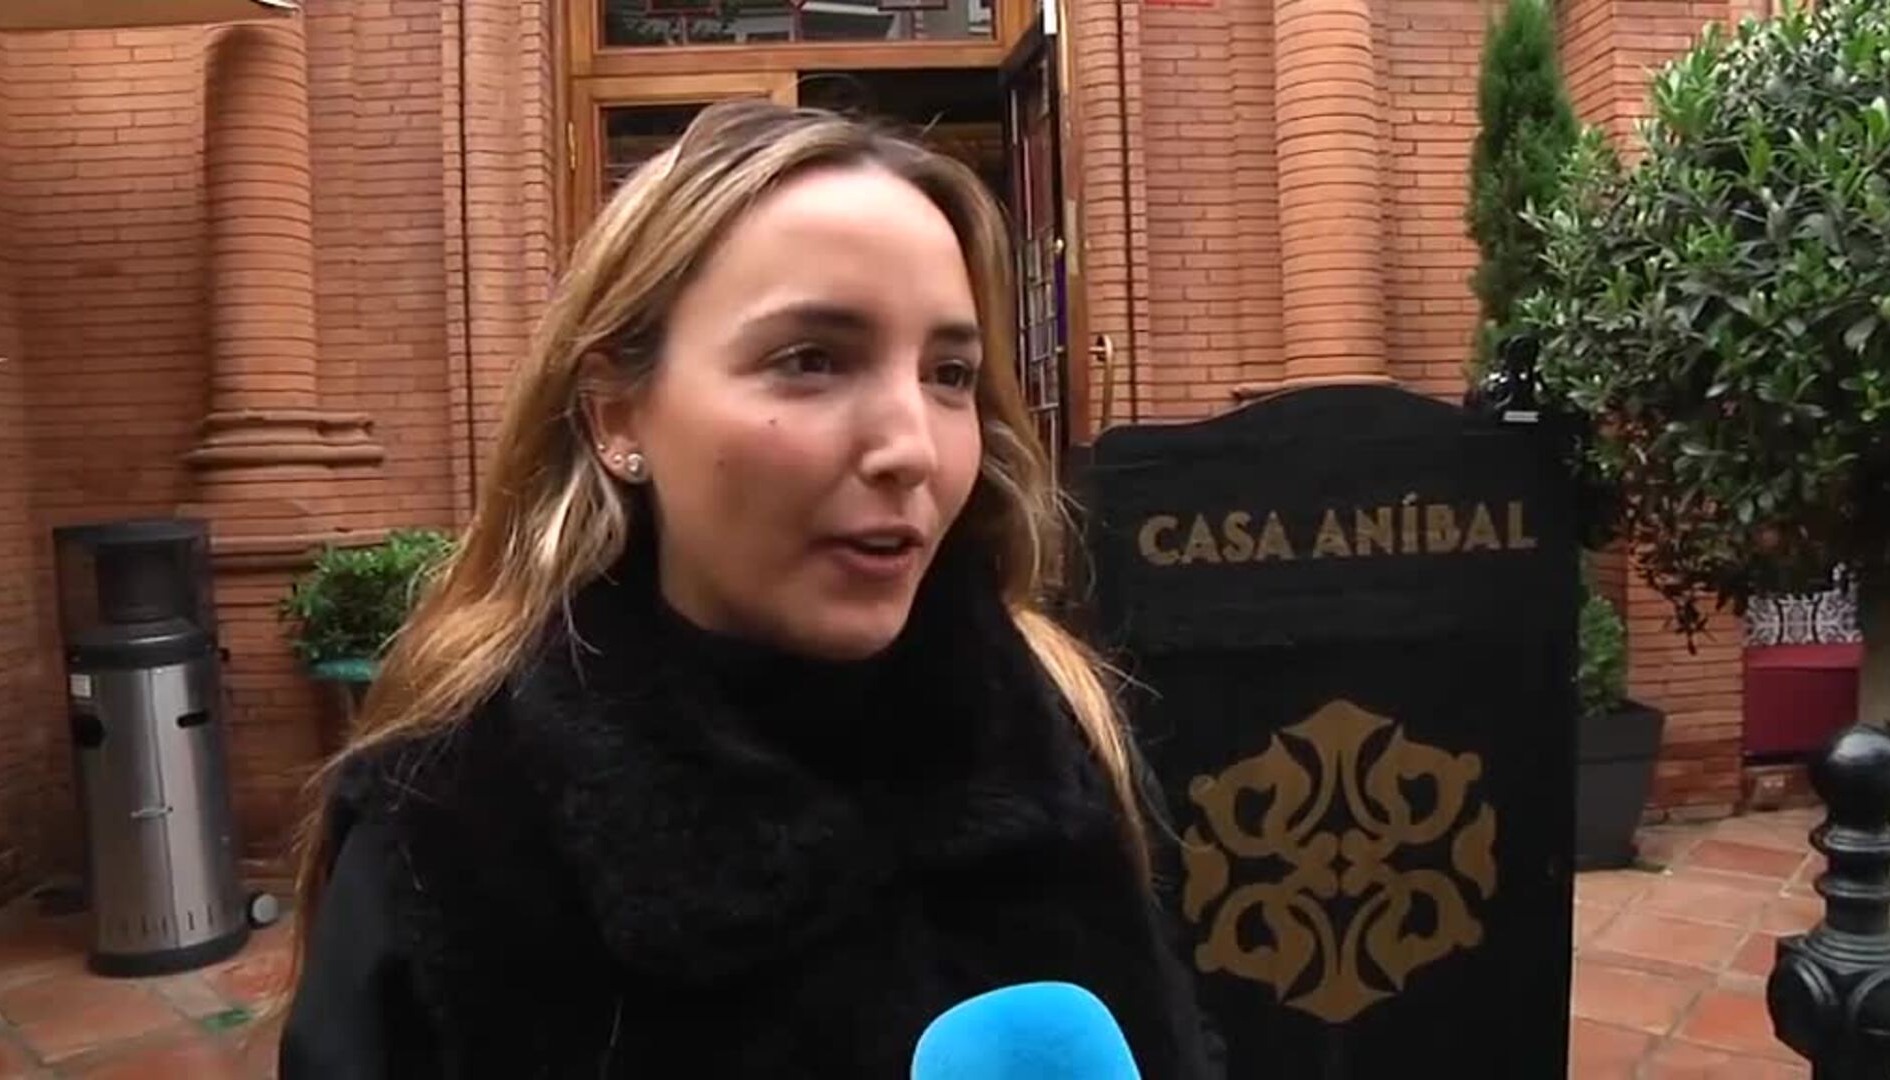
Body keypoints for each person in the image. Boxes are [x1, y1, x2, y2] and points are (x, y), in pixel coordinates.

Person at [279, 100, 1220, 1078]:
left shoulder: (1064, 725)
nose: (911, 448)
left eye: (949, 374)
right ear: (615, 416)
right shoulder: (448, 829)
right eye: (810, 360)